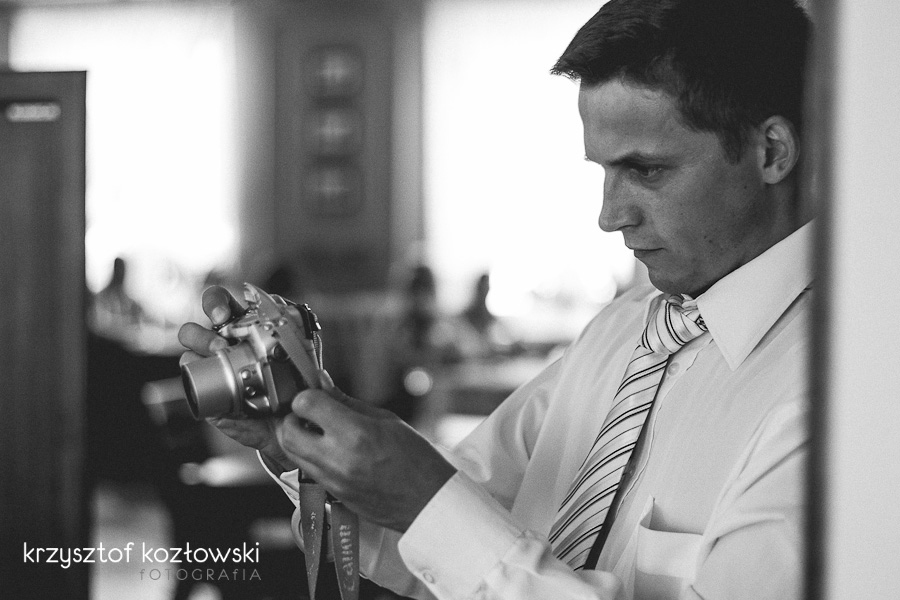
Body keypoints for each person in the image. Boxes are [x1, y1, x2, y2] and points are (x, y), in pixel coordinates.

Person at [179, 0, 812, 598]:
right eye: (603, 171)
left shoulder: (830, 400)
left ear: (771, 152)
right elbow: (450, 534)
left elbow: (445, 518)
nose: (609, 216)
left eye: (646, 169)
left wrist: (429, 504)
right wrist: (300, 433)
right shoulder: (624, 329)